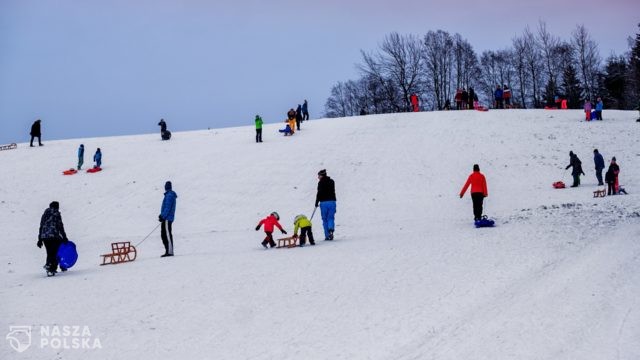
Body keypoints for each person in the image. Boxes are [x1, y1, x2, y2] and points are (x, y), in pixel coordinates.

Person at [38, 201, 68, 276]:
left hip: (44, 236)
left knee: (49, 252)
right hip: (53, 236)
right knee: (55, 252)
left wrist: (40, 239)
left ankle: (50, 268)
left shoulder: (45, 214)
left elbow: (41, 226)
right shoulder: (56, 213)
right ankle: (51, 267)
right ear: (57, 207)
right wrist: (64, 237)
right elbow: (60, 226)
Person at [315, 169, 336, 240]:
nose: (318, 177)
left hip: (324, 203)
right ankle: (331, 230)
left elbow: (319, 193)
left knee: (324, 219)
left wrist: (316, 202)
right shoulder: (332, 181)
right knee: (331, 217)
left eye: (319, 175)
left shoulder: (320, 183)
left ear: (322, 175)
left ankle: (327, 235)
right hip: (332, 202)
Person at [158, 181, 177, 257]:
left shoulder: (169, 195)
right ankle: (167, 251)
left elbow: (167, 207)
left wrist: (162, 216)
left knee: (167, 234)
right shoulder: (168, 195)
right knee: (163, 234)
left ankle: (170, 252)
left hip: (167, 218)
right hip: (166, 218)